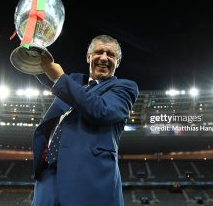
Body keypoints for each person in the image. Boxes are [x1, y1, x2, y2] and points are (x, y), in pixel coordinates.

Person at [31, 35, 139, 206]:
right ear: (88, 57)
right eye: (98, 52)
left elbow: (101, 111)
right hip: (48, 176)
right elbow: (44, 71)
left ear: (117, 62)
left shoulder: (124, 88)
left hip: (89, 180)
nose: (104, 57)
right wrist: (32, 41)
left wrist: (60, 79)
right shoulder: (74, 81)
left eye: (110, 54)